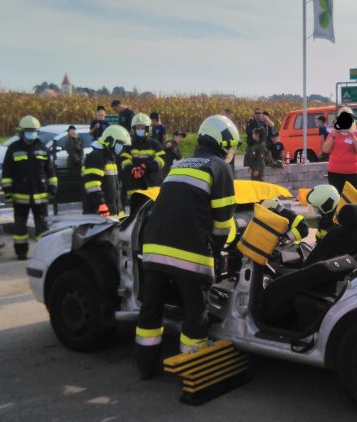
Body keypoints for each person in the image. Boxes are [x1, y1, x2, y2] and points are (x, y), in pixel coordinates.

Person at [134, 115, 240, 379]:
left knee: (151, 309)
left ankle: (146, 368)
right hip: (189, 253)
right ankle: (191, 370)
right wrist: (216, 254)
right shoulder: (219, 167)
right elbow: (223, 221)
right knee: (196, 313)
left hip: (154, 249)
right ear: (224, 142)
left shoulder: (180, 165)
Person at [0, 115, 57, 260]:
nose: (32, 133)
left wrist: (53, 187)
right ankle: (21, 251)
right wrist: (7, 191)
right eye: (29, 130)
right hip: (20, 196)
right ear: (21, 131)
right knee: (20, 226)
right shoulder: (14, 148)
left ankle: (42, 252)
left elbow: (50, 170)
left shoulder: (42, 147)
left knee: (42, 227)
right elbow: (7, 172)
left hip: (40, 195)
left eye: (34, 130)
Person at [81, 124, 130, 218]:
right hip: (99, 214)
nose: (122, 148)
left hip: (112, 214)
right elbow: (92, 184)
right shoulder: (96, 157)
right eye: (120, 144)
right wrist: (101, 204)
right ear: (110, 141)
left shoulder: (110, 158)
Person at [121, 113, 166, 211]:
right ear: (133, 129)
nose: (139, 130)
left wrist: (145, 167)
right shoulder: (129, 145)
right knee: (136, 215)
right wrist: (132, 169)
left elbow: (161, 160)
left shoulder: (155, 144)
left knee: (153, 215)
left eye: (142, 128)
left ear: (147, 129)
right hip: (135, 185)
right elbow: (124, 161)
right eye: (137, 128)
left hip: (153, 185)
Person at [322, 107, 357, 193]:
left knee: (350, 200)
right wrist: (333, 136)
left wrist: (352, 136)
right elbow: (325, 150)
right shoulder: (332, 133)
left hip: (352, 172)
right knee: (336, 200)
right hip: (334, 171)